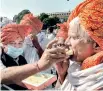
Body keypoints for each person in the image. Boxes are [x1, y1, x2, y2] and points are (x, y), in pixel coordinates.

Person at [0, 24, 66, 90]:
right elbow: (4, 75)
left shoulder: (21, 58)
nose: (17, 47)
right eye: (12, 43)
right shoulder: (1, 59)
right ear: (4, 44)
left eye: (20, 43)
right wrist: (38, 66)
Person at [55, 0, 103, 91]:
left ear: (96, 45)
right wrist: (61, 75)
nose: (67, 43)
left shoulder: (98, 83)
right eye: (68, 37)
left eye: (73, 37)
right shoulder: (74, 66)